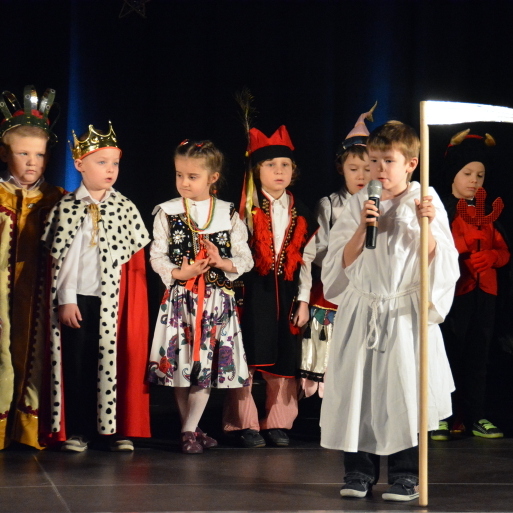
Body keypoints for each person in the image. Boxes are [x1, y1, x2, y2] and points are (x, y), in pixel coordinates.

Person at [319, 120, 459, 502]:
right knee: (359, 391)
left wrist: (426, 226)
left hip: (403, 311)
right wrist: (363, 228)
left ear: (411, 163)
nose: (379, 170)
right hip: (363, 307)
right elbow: (337, 265)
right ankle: (359, 471)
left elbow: (442, 263)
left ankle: (406, 475)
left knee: (404, 390)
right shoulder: (358, 202)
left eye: (388, 161)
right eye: (373, 161)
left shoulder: (425, 200)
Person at [42, 122, 150, 452]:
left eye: (115, 163)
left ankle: (117, 429)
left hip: (114, 302)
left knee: (115, 363)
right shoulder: (67, 208)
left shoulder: (125, 208)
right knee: (79, 366)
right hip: (79, 300)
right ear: (79, 164)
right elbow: (64, 261)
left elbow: (133, 267)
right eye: (102, 162)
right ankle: (80, 429)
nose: (110, 169)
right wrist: (66, 299)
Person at [147, 139, 253, 454]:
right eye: (179, 175)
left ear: (212, 177)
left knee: (204, 367)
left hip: (216, 302)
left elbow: (245, 259)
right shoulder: (167, 212)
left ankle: (188, 430)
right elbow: (157, 255)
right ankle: (190, 429)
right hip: (182, 300)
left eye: (192, 176)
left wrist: (221, 262)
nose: (184, 182)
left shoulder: (227, 213)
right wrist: (180, 273)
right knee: (182, 366)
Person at [222, 125, 317, 448]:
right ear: (256, 171)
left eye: (285, 165)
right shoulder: (242, 209)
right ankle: (243, 423)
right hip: (251, 292)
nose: (279, 171)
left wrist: (304, 299)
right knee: (245, 357)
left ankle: (278, 422)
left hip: (287, 292)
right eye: (271, 165)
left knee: (284, 360)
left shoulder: (301, 210)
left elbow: (305, 259)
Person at [434, 129, 510, 441]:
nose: (474, 180)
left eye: (480, 175)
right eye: (467, 173)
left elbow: (505, 252)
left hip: (485, 294)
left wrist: (492, 256)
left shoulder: (488, 212)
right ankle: (442, 416)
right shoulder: (442, 210)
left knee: (479, 357)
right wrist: (461, 253)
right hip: (453, 294)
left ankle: (476, 415)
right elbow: (433, 249)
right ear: (454, 174)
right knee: (448, 355)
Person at [0, 85, 64, 450]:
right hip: (2, 294)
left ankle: (28, 427)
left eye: (38, 155)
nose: (31, 162)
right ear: (4, 153)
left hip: (38, 296)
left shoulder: (57, 200)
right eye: (22, 153)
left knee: (34, 353)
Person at [300, 104, 374, 399]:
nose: (360, 175)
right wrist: (343, 260)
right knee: (328, 355)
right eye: (353, 169)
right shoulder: (329, 204)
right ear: (341, 168)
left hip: (370, 288)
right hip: (334, 287)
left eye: (367, 169)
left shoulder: (383, 204)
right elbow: (317, 250)